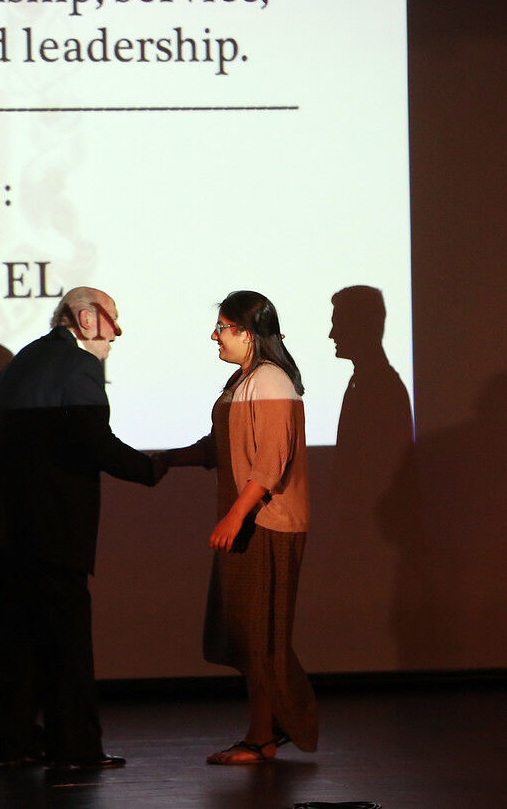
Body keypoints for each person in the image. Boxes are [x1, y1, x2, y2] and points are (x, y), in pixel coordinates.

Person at [0, 286, 163, 770]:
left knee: (10, 645)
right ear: (86, 319)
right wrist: (153, 467)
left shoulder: (21, 362)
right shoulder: (80, 365)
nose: (118, 331)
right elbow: (94, 442)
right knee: (65, 643)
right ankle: (75, 749)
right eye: (112, 319)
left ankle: (15, 745)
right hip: (50, 531)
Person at [163, 290, 318, 764]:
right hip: (249, 519)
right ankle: (268, 729)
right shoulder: (244, 380)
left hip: (267, 523)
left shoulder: (270, 380)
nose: (215, 336)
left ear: (248, 333)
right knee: (248, 635)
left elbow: (271, 462)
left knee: (261, 635)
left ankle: (266, 734)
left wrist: (235, 515)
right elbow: (220, 446)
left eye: (223, 327)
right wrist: (165, 460)